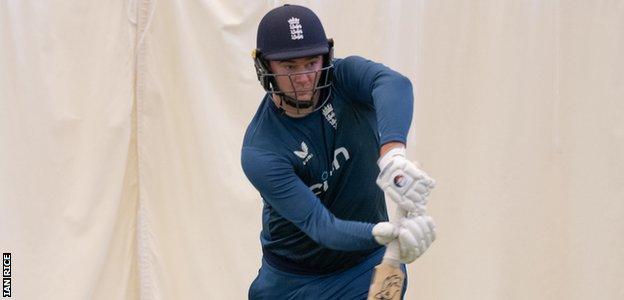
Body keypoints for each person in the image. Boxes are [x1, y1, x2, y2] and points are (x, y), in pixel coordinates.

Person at [241, 4, 437, 299]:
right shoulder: (261, 150)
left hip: (362, 267)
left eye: (311, 62)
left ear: (326, 56)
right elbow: (321, 228)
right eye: (289, 67)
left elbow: (395, 84)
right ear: (265, 67)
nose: (304, 77)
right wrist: (389, 233)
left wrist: (393, 155)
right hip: (291, 281)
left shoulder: (344, 78)